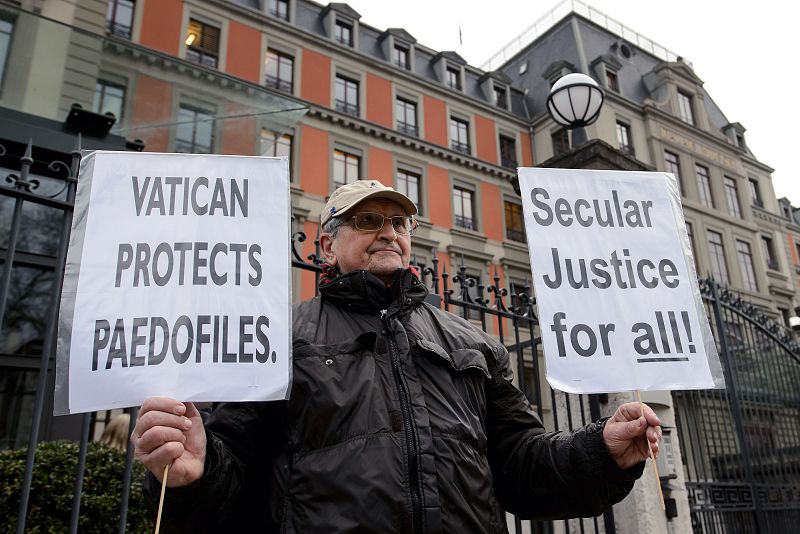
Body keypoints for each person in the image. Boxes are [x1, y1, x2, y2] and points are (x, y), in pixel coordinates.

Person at [133, 180, 661, 533]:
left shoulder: (471, 342)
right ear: (327, 246)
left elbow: (522, 465)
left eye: (399, 222)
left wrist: (601, 450)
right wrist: (197, 474)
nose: (388, 231)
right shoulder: (277, 335)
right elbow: (234, 473)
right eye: (366, 221)